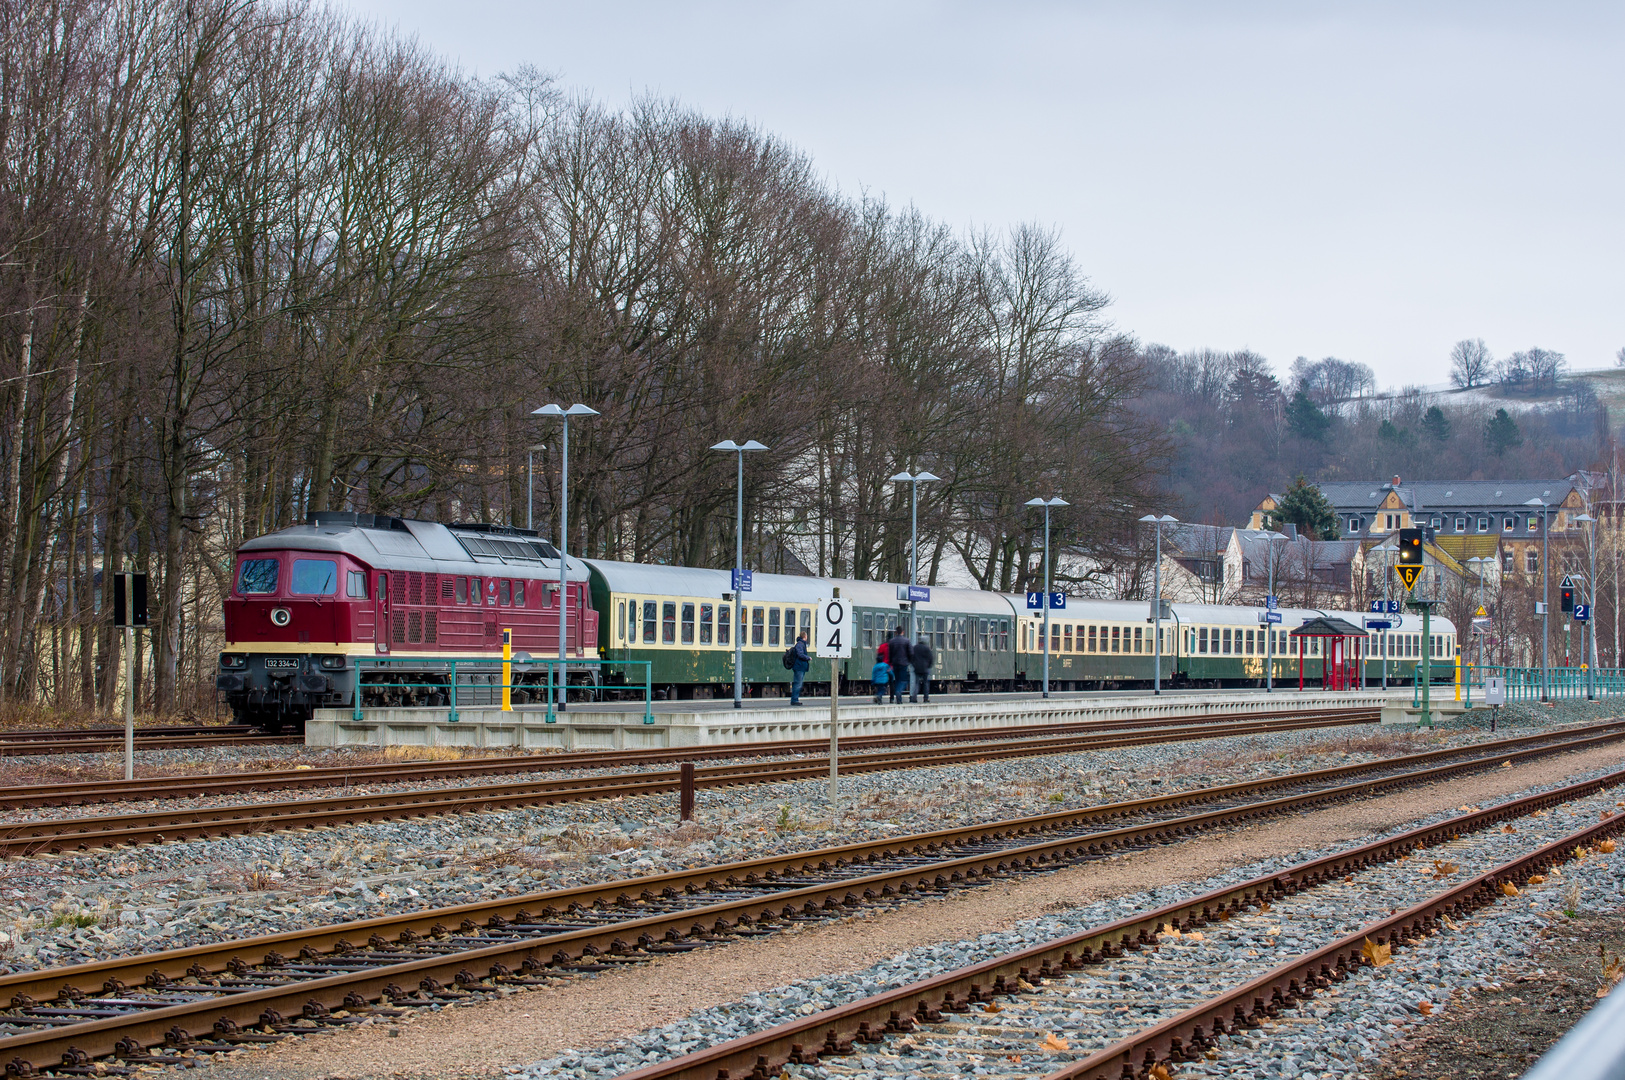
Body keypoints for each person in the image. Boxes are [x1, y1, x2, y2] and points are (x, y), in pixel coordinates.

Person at [886, 627, 913, 704]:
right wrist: (909, 661)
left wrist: (891, 662)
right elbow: (911, 653)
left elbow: (890, 654)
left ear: (896, 632)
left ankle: (899, 699)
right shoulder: (906, 641)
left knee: (897, 680)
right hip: (904, 663)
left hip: (895, 663)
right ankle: (898, 692)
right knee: (904, 680)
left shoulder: (891, 641)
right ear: (903, 632)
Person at [911, 633, 936, 703]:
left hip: (917, 668)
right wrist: (929, 666)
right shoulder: (927, 648)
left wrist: (914, 665)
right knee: (925, 683)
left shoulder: (915, 647)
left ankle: (914, 697)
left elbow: (911, 657)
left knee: (916, 683)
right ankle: (925, 698)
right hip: (925, 668)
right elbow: (931, 658)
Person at [789, 630, 810, 705]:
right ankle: (794, 700)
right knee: (798, 683)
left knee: (798, 683)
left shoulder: (801, 644)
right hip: (799, 667)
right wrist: (807, 657)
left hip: (800, 667)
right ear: (805, 636)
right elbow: (800, 654)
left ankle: (795, 699)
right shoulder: (800, 644)